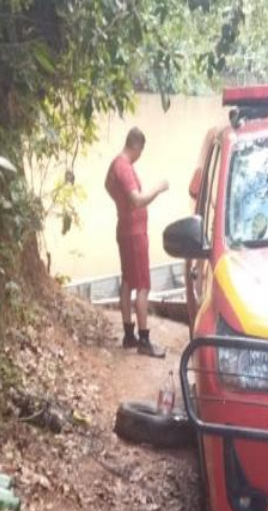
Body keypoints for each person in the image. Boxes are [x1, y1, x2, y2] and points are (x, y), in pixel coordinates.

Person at [105, 127, 170, 357]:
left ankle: (128, 335)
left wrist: (120, 205)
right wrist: (158, 189)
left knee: (127, 281)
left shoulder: (115, 165)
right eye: (141, 150)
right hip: (134, 233)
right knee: (142, 285)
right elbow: (137, 199)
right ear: (136, 146)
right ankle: (143, 340)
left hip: (125, 228)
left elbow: (108, 187)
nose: (141, 154)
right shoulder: (124, 168)